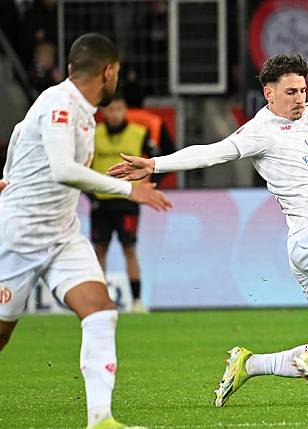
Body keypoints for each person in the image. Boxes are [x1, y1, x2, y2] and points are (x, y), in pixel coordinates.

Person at [108, 14, 308, 407]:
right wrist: (155, 164)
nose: (300, 98)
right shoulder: (259, 131)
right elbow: (209, 154)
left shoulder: (303, 116)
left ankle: (251, 364)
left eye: (302, 90)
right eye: (291, 92)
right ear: (268, 93)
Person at [0, 33, 171, 429]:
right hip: (20, 237)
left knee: (100, 310)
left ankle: (101, 419)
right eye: (117, 74)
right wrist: (132, 191)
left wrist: (9, 174)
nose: (117, 81)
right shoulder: (61, 104)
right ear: (108, 71)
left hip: (62, 235)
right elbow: (62, 170)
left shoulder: (76, 107)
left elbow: (19, 135)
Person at [90, 92, 158, 312]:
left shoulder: (139, 133)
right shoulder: (93, 134)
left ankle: (137, 301)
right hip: (100, 201)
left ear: (125, 110)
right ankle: (99, 300)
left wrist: (146, 185)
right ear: (103, 112)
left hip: (128, 200)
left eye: (119, 109)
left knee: (129, 248)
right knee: (99, 250)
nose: (115, 114)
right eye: (110, 109)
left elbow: (156, 162)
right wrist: (90, 195)